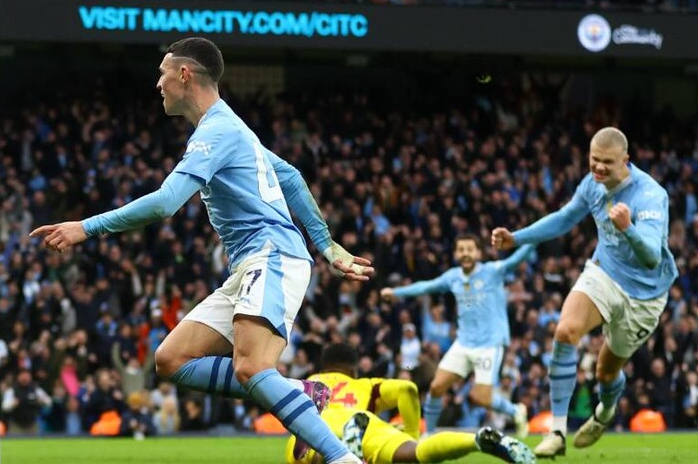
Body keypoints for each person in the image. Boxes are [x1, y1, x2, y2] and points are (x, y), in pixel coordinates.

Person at [32, 37, 373, 464]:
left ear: (184, 74)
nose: (157, 83)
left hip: (272, 256)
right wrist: (328, 247)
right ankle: (302, 393)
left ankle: (342, 458)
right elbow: (290, 177)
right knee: (171, 359)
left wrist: (87, 226)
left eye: (162, 72)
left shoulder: (218, 130)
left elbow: (165, 202)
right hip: (250, 264)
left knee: (251, 367)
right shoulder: (232, 129)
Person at [492, 127, 677, 457]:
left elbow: (651, 258)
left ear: (626, 161)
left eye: (607, 162)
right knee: (565, 331)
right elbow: (565, 218)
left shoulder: (650, 195)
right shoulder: (592, 183)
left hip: (645, 295)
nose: (599, 168)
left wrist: (628, 229)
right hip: (604, 272)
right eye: (594, 160)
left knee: (606, 372)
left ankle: (605, 412)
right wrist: (516, 238)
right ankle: (557, 433)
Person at [381, 236, 533, 437]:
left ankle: (515, 410)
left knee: (481, 398)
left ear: (478, 253)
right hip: (463, 343)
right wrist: (397, 292)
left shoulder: (492, 271)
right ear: (455, 254)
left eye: (470, 249)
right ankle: (428, 435)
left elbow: (516, 260)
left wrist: (536, 237)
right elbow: (426, 286)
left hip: (490, 344)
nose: (465, 254)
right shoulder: (453, 277)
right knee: (436, 387)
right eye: (461, 249)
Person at [284, 343, 535, 464]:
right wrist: (412, 434)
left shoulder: (306, 383)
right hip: (363, 421)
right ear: (353, 370)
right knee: (415, 453)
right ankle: (477, 440)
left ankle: (341, 451)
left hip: (315, 423)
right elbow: (407, 388)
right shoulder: (365, 385)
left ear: (321, 368)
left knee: (311, 456)